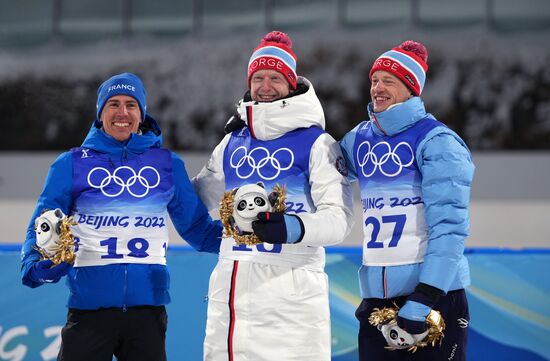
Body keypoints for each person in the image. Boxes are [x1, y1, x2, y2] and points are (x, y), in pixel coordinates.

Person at [21, 72, 223, 361]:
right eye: (113, 104)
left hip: (147, 315)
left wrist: (249, 237)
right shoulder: (71, 164)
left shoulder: (167, 165)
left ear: (141, 114)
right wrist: (35, 266)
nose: (122, 113)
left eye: (131, 105)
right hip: (89, 312)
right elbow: (41, 226)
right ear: (100, 112)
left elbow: (197, 229)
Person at [192, 31, 354, 361]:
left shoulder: (317, 143)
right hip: (231, 295)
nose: (266, 86)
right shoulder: (232, 142)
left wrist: (294, 227)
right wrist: (155, 164)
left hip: (291, 294)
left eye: (276, 78)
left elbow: (340, 220)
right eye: (259, 77)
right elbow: (197, 199)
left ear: (291, 84)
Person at [339, 40, 475, 361]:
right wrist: (257, 124)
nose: (378, 88)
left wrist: (425, 296)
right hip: (377, 302)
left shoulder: (437, 141)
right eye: (374, 80)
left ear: (411, 90)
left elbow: (450, 228)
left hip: (432, 298)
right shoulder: (359, 138)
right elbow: (314, 165)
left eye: (389, 81)